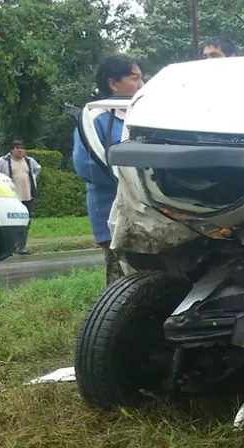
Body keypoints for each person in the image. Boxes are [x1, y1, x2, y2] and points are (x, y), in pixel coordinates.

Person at [72, 54, 145, 284]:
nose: (141, 85)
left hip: (148, 210)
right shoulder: (95, 117)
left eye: (142, 78)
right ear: (113, 83)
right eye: (134, 78)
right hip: (111, 209)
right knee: (120, 275)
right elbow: (85, 165)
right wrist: (131, 179)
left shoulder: (143, 115)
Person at [0, 140, 41, 254]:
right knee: (10, 223)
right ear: (11, 150)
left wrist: (33, 179)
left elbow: (37, 169)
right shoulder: (3, 161)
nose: (20, 150)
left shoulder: (29, 161)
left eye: (22, 148)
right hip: (10, 198)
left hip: (27, 196)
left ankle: (22, 247)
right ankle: (10, 249)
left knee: (25, 222)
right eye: (17, 148)